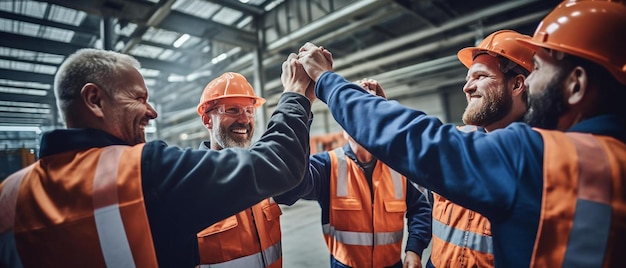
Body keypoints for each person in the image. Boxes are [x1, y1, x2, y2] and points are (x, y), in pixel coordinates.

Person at [296, 0, 626, 266]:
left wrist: (327, 82)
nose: (466, 86)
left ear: (576, 83)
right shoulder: (608, 156)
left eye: (539, 70)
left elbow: (415, 139)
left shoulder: (538, 157)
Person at [0, 49, 314, 267]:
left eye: (249, 111)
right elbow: (279, 162)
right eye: (139, 98)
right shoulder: (144, 172)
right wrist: (296, 92)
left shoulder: (9, 194)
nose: (152, 112)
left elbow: (292, 179)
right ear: (94, 100)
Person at [275, 80, 432, 268]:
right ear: (342, 122)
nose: (361, 123)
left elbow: (421, 209)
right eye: (354, 114)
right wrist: (302, 105)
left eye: (369, 115)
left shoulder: (399, 166)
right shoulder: (327, 165)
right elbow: (288, 191)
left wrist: (414, 250)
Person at [426, 30, 535, 268]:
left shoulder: (537, 158)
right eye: (468, 78)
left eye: (480, 76)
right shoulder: (456, 141)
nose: (467, 87)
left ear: (517, 84)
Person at [195, 72, 282, 267]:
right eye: (232, 110)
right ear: (207, 120)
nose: (244, 119)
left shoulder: (261, 174)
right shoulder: (192, 185)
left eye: (249, 110)